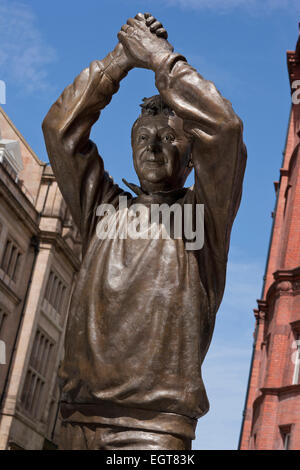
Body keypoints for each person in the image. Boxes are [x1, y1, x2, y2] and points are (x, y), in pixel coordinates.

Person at [42, 13, 247, 450]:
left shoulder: (200, 220)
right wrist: (119, 61)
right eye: (143, 137)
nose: (152, 147)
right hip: (75, 418)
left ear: (192, 161)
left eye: (169, 139)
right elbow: (60, 131)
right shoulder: (103, 209)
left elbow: (225, 130)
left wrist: (160, 61)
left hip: (153, 432)